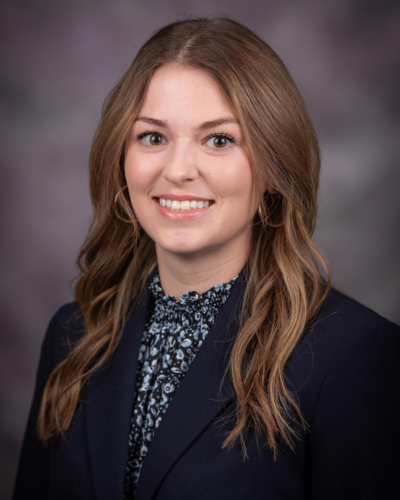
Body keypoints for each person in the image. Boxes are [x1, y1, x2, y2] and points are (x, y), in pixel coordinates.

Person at [13, 17, 400, 500]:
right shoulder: (73, 338)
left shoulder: (353, 355)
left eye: (219, 140)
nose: (177, 171)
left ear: (274, 170)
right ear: (121, 159)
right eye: (153, 137)